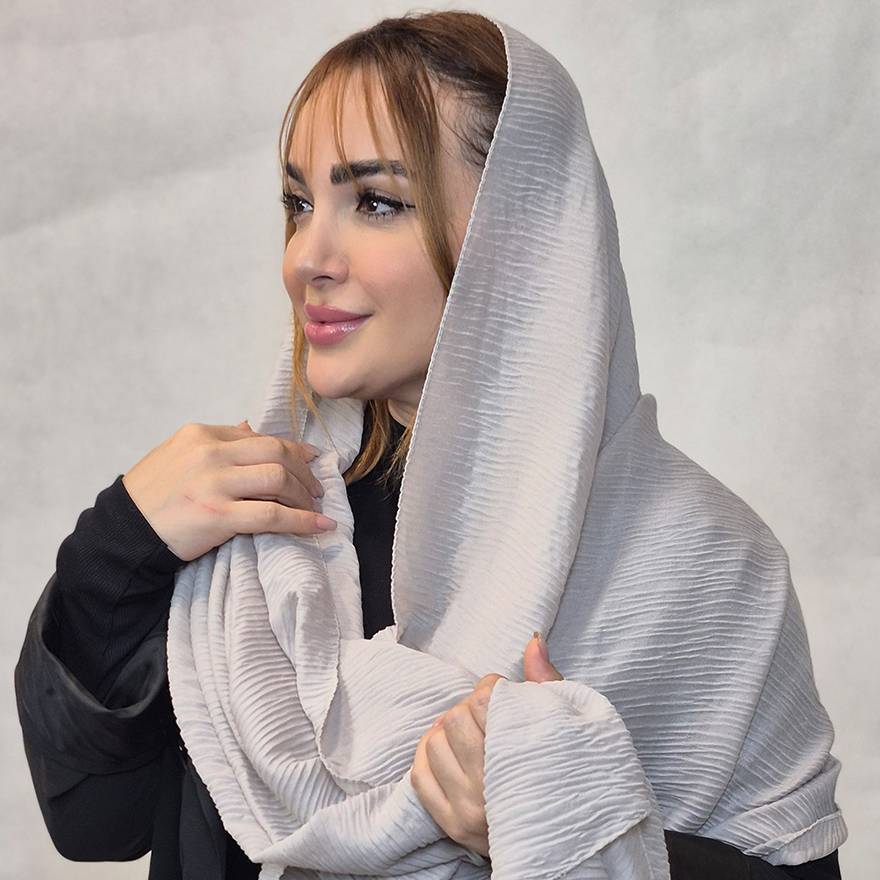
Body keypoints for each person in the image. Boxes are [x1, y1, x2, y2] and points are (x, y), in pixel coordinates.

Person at [14, 10, 845, 879]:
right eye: (300, 203)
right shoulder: (260, 522)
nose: (305, 257)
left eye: (376, 202)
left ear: (522, 233)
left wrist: (565, 826)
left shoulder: (703, 561)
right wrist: (121, 541)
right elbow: (94, 820)